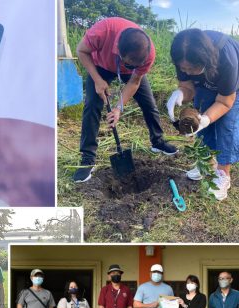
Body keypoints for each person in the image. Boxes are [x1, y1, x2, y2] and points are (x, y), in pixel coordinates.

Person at [72, 17, 177, 182]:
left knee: (149, 104)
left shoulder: (147, 54)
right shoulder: (103, 31)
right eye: (129, 63)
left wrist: (118, 108)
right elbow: (81, 50)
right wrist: (98, 80)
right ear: (118, 50)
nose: (133, 66)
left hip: (130, 75)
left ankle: (157, 141)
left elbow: (135, 81)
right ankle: (87, 159)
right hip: (100, 66)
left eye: (136, 65)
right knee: (92, 105)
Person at [167, 29, 239, 200]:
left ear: (205, 60)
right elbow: (188, 86)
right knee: (198, 120)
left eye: (192, 68)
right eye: (184, 68)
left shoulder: (226, 58)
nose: (188, 71)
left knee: (226, 126)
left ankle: (223, 175)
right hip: (206, 84)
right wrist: (181, 93)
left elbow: (225, 101)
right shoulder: (182, 57)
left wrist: (208, 118)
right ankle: (206, 164)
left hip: (233, 87)